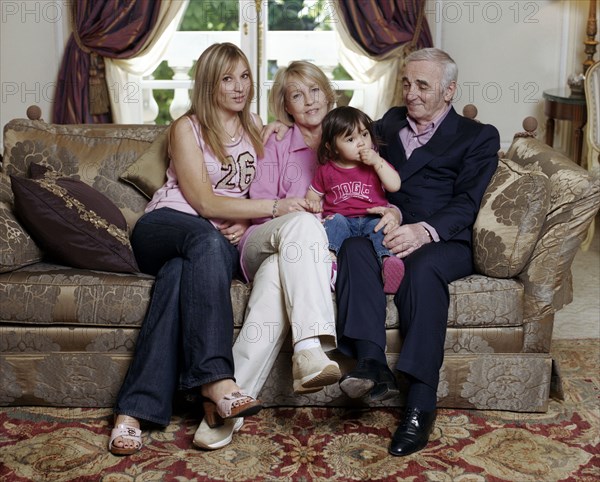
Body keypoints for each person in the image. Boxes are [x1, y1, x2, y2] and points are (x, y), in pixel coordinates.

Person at [108, 43, 309, 455]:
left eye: (245, 76)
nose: (240, 87)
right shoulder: (187, 127)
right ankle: (216, 380)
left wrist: (249, 219)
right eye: (227, 78)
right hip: (165, 227)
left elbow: (262, 186)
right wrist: (271, 209)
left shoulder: (256, 126)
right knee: (204, 237)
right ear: (208, 83)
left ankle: (132, 412)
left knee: (178, 277)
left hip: (210, 246)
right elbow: (203, 203)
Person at [193, 61, 374, 450]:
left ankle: (225, 402)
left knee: (280, 273)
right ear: (286, 106)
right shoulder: (274, 141)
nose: (309, 101)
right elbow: (257, 204)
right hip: (262, 241)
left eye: (314, 91)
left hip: (305, 257)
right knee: (305, 223)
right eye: (297, 94)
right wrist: (250, 219)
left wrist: (392, 212)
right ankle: (311, 348)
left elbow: (377, 190)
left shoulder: (355, 138)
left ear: (329, 94)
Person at [334, 48, 500, 457]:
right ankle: (372, 364)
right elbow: (341, 137)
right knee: (354, 246)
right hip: (388, 229)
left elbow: (467, 202)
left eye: (423, 85)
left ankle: (420, 404)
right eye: (406, 83)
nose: (411, 93)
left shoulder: (478, 136)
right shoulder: (388, 123)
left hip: (444, 240)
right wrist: (288, 132)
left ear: (449, 91)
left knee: (423, 269)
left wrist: (424, 231)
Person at [305, 106, 405, 294]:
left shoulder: (376, 163)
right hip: (342, 220)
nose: (361, 143)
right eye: (350, 139)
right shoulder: (326, 170)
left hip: (371, 218)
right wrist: (313, 203)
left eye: (364, 135)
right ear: (331, 146)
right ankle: (330, 264)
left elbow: (395, 185)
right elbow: (313, 194)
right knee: (334, 224)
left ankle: (388, 263)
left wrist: (377, 162)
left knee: (382, 229)